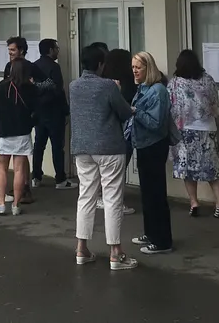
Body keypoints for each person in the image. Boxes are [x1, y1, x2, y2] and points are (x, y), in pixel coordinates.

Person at [70, 43, 138, 271]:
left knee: (86, 196)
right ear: (100, 64)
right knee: (112, 199)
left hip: (82, 148)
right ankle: (115, 253)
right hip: (109, 147)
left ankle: (82, 249)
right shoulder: (108, 86)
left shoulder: (73, 86)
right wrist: (117, 91)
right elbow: (125, 112)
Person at [167, 49, 219, 218]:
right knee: (212, 168)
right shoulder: (208, 80)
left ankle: (194, 203)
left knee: (187, 169)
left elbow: (171, 106)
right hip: (208, 129)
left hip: (185, 130)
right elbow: (215, 102)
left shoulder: (175, 83)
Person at [130, 51, 177, 255]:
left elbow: (156, 124)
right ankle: (150, 233)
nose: (134, 71)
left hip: (154, 145)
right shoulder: (142, 88)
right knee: (147, 193)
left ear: (148, 69)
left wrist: (135, 112)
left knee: (156, 193)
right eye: (133, 67)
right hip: (142, 144)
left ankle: (162, 240)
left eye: (138, 68)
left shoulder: (158, 91)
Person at [2, 36, 55, 204]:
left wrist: (34, 86)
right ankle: (21, 186)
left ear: (22, 51)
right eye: (9, 50)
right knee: (18, 154)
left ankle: (25, 186)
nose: (10, 53)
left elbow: (50, 84)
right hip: (11, 113)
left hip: (26, 114)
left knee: (22, 153)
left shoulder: (31, 67)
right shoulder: (8, 67)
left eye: (13, 50)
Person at [0, 57, 36, 217]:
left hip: (3, 132)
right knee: (19, 170)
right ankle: (16, 204)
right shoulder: (30, 88)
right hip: (22, 133)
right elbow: (36, 111)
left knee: (1, 168)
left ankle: (1, 204)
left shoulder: (3, 86)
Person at [99, 46, 137, 215]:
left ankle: (103, 197)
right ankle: (114, 202)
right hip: (125, 129)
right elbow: (126, 108)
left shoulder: (103, 81)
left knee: (106, 168)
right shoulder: (127, 82)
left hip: (106, 128)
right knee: (118, 168)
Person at [32, 38, 73, 189]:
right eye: (56, 48)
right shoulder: (54, 67)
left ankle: (36, 177)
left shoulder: (34, 66)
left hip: (39, 113)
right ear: (50, 50)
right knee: (57, 147)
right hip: (54, 113)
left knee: (39, 145)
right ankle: (60, 179)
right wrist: (65, 111)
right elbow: (58, 91)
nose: (58, 51)